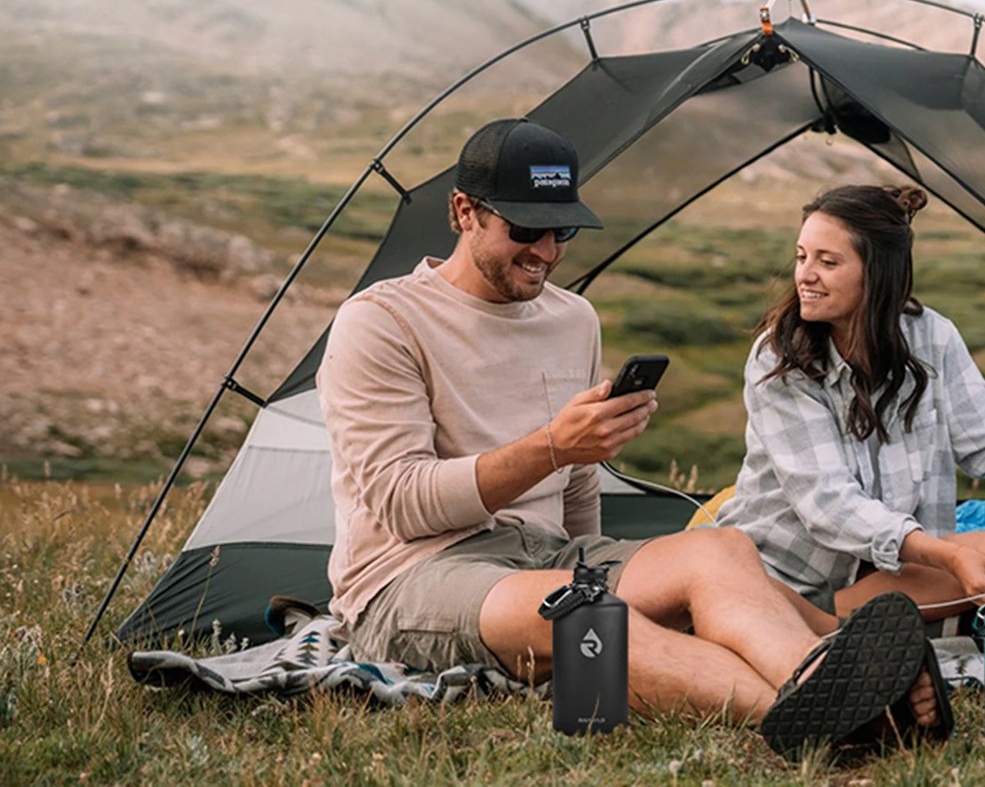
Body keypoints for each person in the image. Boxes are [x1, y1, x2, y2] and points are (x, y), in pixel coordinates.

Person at [318, 120, 947, 757]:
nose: (547, 251)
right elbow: (401, 502)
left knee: (720, 550)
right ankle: (843, 718)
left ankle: (825, 679)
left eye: (561, 230)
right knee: (591, 619)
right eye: (526, 229)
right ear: (464, 212)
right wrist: (553, 447)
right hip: (410, 576)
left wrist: (589, 519)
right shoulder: (382, 322)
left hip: (544, 557)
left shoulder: (571, 317)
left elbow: (577, 489)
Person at [716, 184, 985, 621]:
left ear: (877, 274)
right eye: (802, 257)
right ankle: (817, 625)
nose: (805, 275)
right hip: (783, 575)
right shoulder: (779, 356)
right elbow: (829, 504)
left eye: (827, 261)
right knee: (964, 562)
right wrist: (945, 557)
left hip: (883, 573)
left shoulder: (933, 337)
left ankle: (845, 625)